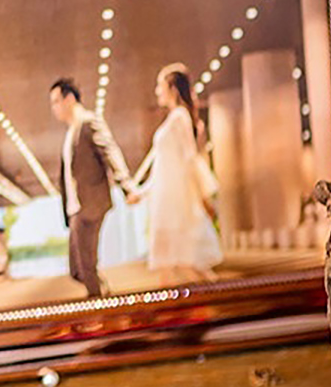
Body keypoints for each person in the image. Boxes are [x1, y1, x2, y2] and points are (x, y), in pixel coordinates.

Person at [48, 78, 135, 299]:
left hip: (89, 204)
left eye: (56, 101)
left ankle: (101, 307)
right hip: (75, 209)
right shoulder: (71, 132)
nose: (54, 108)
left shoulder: (88, 122)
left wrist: (126, 185)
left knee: (86, 267)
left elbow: (109, 151)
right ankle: (104, 293)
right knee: (77, 270)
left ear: (69, 98)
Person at [132, 63, 223, 273]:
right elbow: (161, 168)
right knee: (176, 266)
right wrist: (142, 193)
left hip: (177, 201)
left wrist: (203, 197)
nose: (157, 91)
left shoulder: (180, 117)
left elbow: (190, 159)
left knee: (186, 265)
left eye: (160, 85)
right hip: (167, 200)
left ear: (172, 89)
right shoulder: (174, 118)